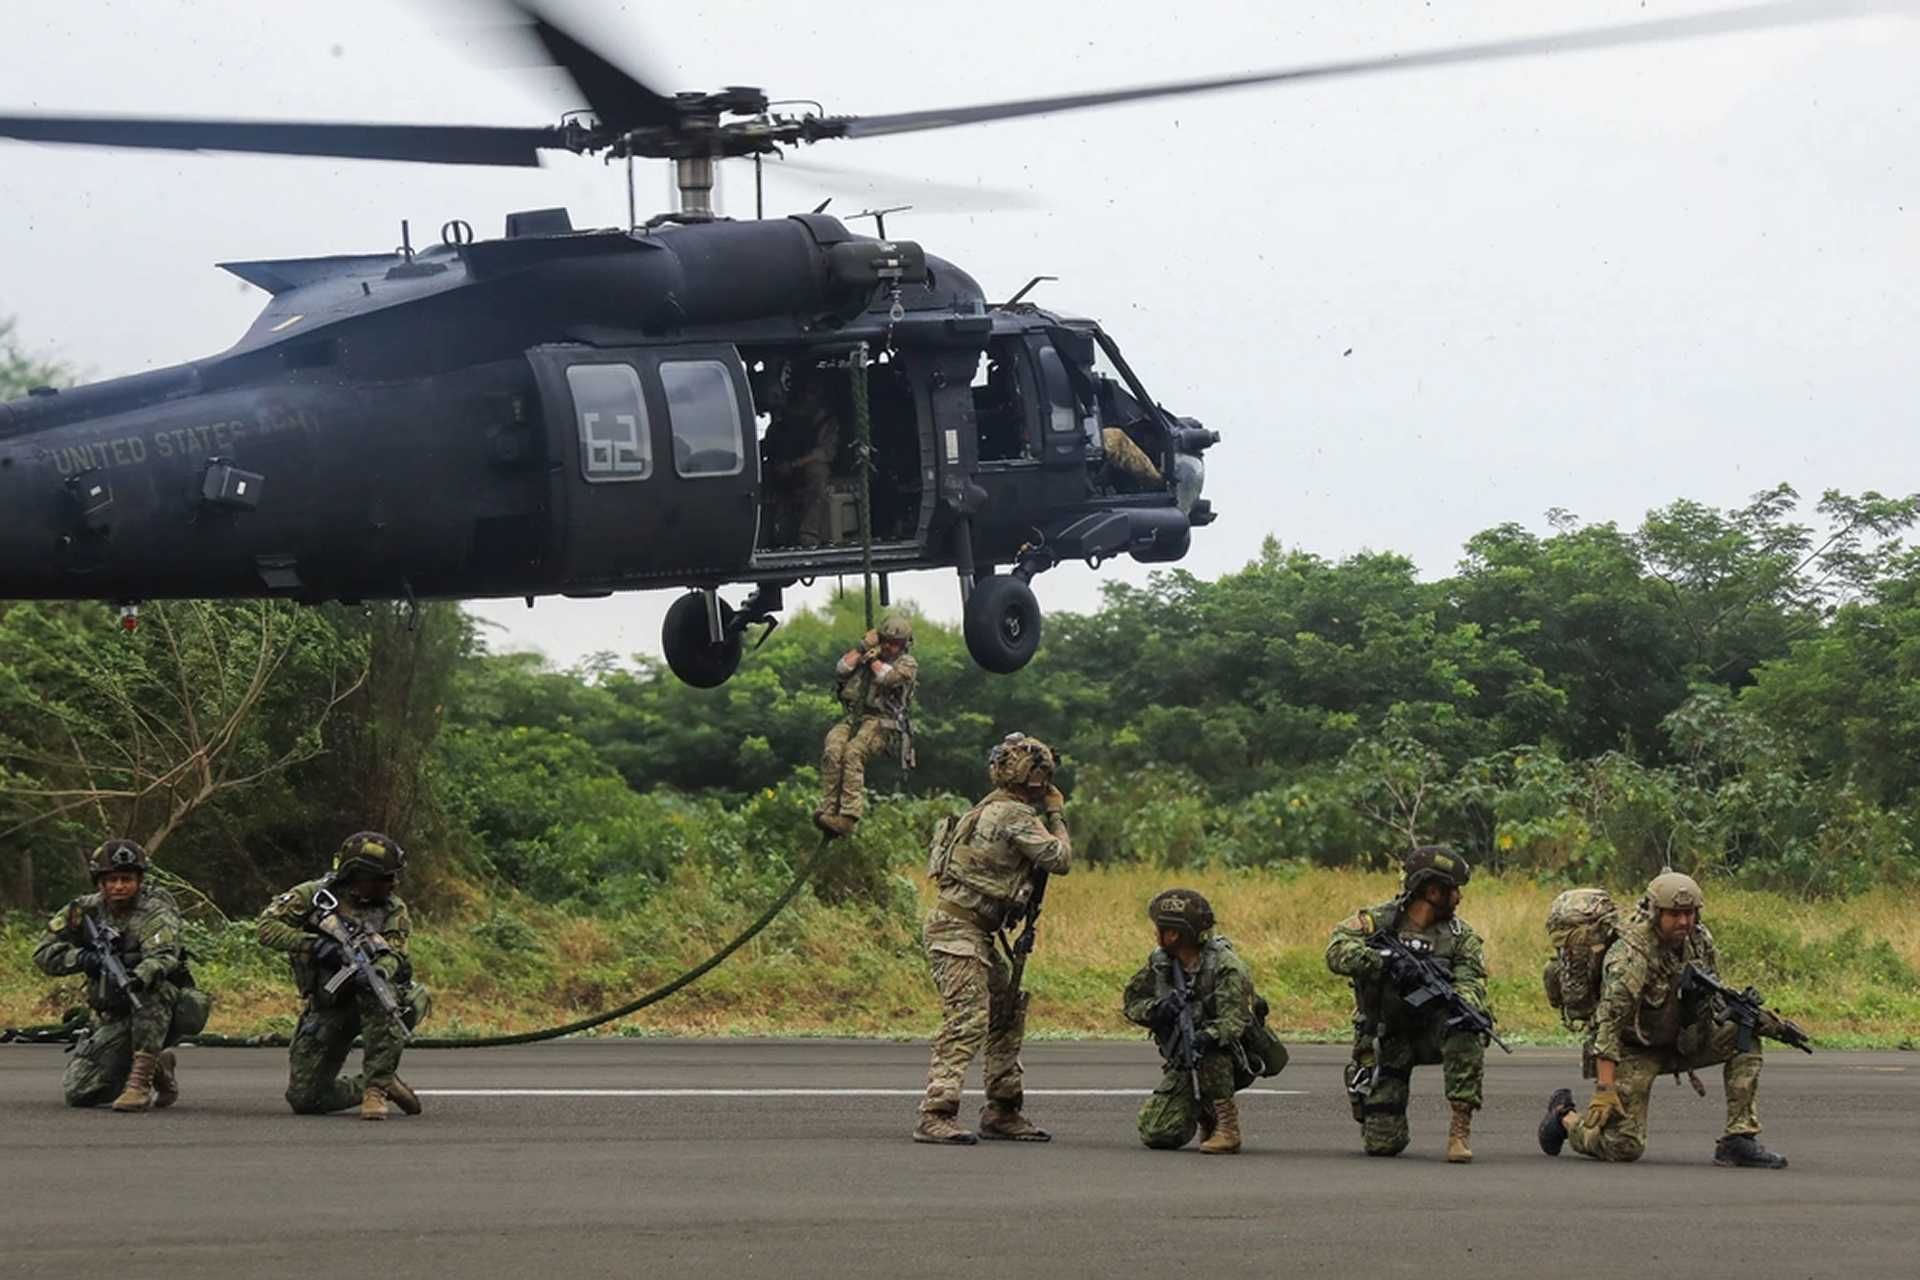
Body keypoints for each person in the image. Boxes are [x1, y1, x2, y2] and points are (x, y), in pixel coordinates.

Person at [1538, 871, 1788, 1168]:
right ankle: (1564, 1118)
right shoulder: (1630, 955)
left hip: (1684, 1038)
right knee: (1623, 1146)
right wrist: (1605, 1090)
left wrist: (1757, 1017)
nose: (1684, 921)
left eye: (1690, 913)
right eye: (1675, 914)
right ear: (1656, 913)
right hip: (1634, 1049)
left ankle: (1739, 1138)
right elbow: (1609, 1024)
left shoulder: (1699, 940)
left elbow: (1713, 992)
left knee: (1744, 1033)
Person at [914, 733, 1071, 1144]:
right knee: (967, 1018)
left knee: (1005, 1013)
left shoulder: (986, 807)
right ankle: (936, 1112)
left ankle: (1003, 1109)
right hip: (958, 930)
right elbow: (1059, 858)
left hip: (971, 930)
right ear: (1035, 777)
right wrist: (1057, 814)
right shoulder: (1015, 814)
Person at [1325, 846, 1489, 1163]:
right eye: (1454, 890)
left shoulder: (1460, 937)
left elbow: (1472, 982)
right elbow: (1336, 950)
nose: (1459, 897)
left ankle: (1459, 1131)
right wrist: (1383, 961)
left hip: (1433, 1031)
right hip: (1386, 1035)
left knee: (1467, 1025)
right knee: (1383, 1145)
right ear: (1432, 891)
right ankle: (1367, 1092)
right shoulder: (1378, 922)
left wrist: (1457, 999)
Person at [257, 831, 431, 1121]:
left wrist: (378, 970)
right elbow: (266, 929)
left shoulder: (393, 908)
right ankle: (379, 1082)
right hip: (329, 1004)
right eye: (385, 878)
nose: (393, 884)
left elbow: (396, 954)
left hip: (371, 999)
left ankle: (376, 1089)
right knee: (305, 1099)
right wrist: (316, 945)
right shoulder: (314, 896)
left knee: (380, 993)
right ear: (359, 875)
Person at [32, 839, 211, 1110]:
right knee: (79, 1093)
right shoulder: (82, 911)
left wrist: (138, 976)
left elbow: (163, 956)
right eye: (112, 880)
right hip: (110, 1012)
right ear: (100, 882)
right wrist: (82, 958)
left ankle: (139, 1084)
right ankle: (160, 1066)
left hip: (158, 1006)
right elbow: (43, 953)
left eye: (126, 879)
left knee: (152, 990)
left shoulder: (155, 910)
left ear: (139, 880)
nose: (119, 886)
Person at [1121, 889, 1257, 1153]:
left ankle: (1228, 1127)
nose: (1155, 933)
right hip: (1183, 1059)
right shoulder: (1162, 963)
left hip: (1231, 1059)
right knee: (1157, 1132)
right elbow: (1132, 1003)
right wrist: (1158, 1010)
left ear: (1174, 934)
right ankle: (1206, 1112)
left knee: (1212, 1049)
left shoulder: (1225, 966)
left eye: (1160, 928)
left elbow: (1235, 1021)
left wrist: (1207, 1036)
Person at [815, 614, 919, 837]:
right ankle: (829, 809)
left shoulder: (907, 664)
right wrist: (862, 647)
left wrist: (872, 660)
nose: (890, 647)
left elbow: (889, 678)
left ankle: (848, 817)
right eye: (887, 641)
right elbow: (842, 668)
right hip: (854, 717)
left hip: (881, 722)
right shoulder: (867, 653)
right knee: (833, 749)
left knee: (853, 753)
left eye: (896, 644)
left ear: (904, 645)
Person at [764, 379, 841, 547]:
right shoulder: (786, 421)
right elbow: (770, 446)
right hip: (783, 468)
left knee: (817, 472)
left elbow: (825, 453)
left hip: (805, 469)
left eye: (811, 394)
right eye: (805, 394)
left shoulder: (827, 422)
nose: (807, 398)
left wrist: (793, 465)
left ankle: (809, 532)